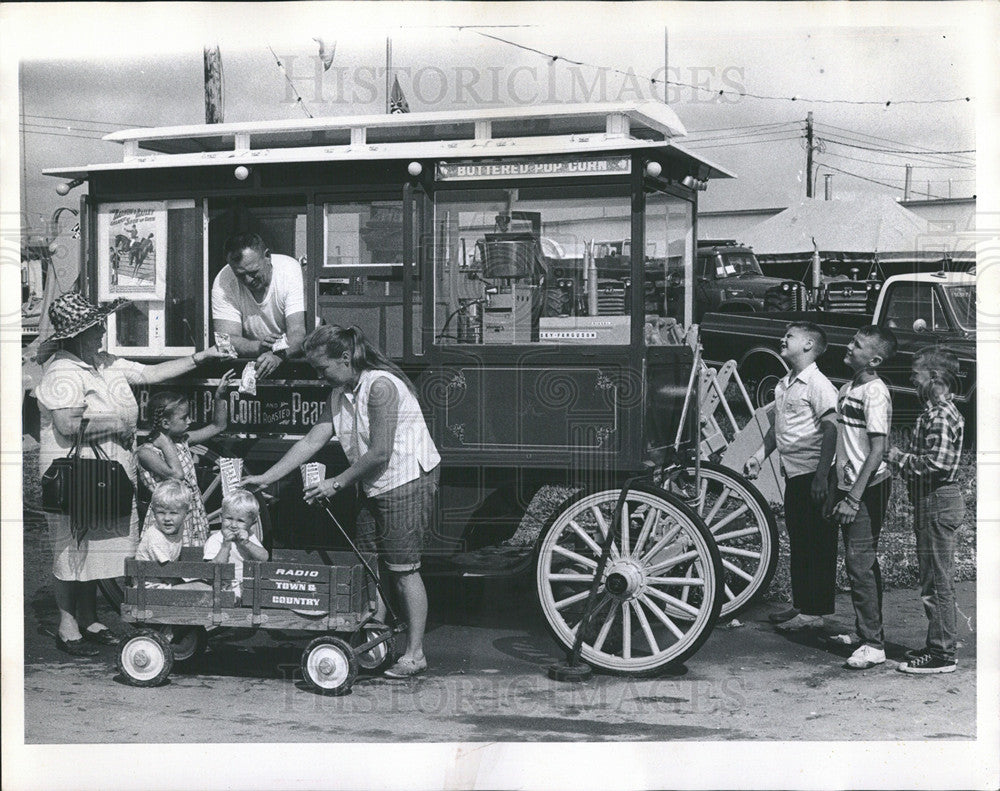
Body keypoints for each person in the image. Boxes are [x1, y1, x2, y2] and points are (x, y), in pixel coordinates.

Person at [35, 291, 230, 656]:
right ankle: (66, 623)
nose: (102, 332)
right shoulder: (62, 371)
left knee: (99, 548)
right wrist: (120, 420)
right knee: (71, 548)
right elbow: (66, 423)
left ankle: (90, 617)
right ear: (77, 334)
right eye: (96, 328)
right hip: (76, 472)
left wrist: (202, 357)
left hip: (108, 472)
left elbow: (151, 373)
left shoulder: (105, 363)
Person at [243, 325, 441, 678]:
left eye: (322, 369)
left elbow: (380, 452)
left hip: (406, 479)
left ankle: (415, 653)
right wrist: (267, 476)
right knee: (372, 566)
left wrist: (336, 483)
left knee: (403, 569)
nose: (319, 377)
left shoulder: (380, 386)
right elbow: (309, 442)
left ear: (346, 358)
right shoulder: (339, 392)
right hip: (373, 483)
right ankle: (377, 640)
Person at [744, 322, 838, 632]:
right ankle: (802, 605)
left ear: (809, 345)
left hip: (814, 474)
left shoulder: (818, 384)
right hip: (794, 474)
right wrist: (760, 455)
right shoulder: (784, 384)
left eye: (790, 336)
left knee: (816, 544)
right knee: (800, 541)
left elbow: (831, 429)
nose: (782, 339)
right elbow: (778, 427)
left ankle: (815, 612)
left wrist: (822, 477)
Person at [888, 346, 966, 674]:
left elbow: (938, 463)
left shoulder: (941, 415)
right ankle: (939, 640)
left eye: (916, 373)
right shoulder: (937, 413)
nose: (911, 378)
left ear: (933, 377)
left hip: (938, 500)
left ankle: (942, 654)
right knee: (933, 578)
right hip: (932, 501)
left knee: (936, 581)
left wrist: (898, 458)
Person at [827, 325, 898, 670]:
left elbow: (878, 450)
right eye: (851, 340)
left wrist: (854, 498)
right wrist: (834, 487)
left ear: (875, 359)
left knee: (859, 563)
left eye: (856, 344)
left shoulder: (875, 392)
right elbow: (845, 445)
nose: (849, 346)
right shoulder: (847, 388)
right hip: (847, 486)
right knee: (860, 562)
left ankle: (874, 644)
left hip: (868, 489)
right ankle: (866, 631)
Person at [136, 369, 236, 546]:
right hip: (168, 518)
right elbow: (177, 475)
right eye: (184, 417)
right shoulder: (146, 452)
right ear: (166, 423)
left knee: (194, 563)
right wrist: (166, 443)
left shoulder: (182, 441)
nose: (189, 421)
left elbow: (218, 426)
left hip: (192, 512)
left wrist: (219, 395)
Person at [211, 232, 306, 379]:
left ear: (267, 256)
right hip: (254, 361)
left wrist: (278, 355)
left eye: (253, 272)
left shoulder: (289, 271)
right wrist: (259, 347)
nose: (248, 280)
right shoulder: (223, 281)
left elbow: (298, 332)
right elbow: (226, 340)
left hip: (292, 359)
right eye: (240, 275)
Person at [203, 489, 269, 601]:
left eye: (240, 521)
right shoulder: (216, 539)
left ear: (252, 523)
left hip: (247, 586)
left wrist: (247, 544)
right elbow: (213, 568)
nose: (233, 525)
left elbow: (264, 557)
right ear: (221, 517)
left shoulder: (249, 538)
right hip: (223, 588)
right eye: (229, 518)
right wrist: (226, 546)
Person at [134, 480, 189, 584]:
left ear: (186, 513)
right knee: (200, 587)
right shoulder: (156, 537)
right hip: (149, 587)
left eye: (173, 513)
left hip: (164, 581)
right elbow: (167, 573)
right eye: (161, 513)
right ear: (153, 512)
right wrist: (187, 586)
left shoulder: (179, 527)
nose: (167, 518)